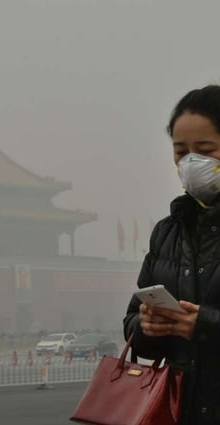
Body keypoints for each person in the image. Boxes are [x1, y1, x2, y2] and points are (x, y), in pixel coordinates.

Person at [123, 85, 220, 425]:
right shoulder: (168, 232)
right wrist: (148, 326)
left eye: (205, 150)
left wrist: (204, 325)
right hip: (183, 412)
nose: (191, 162)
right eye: (181, 152)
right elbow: (133, 325)